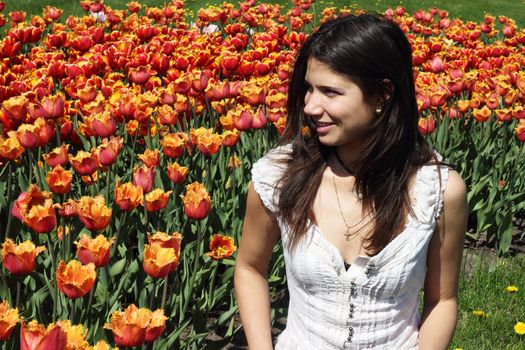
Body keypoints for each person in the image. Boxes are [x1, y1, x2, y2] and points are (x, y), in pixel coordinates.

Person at [234, 12, 467, 350]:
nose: (311, 106)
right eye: (309, 89)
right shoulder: (280, 177)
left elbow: (442, 300)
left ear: (383, 96)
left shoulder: (436, 190)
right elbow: (250, 268)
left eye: (330, 92)